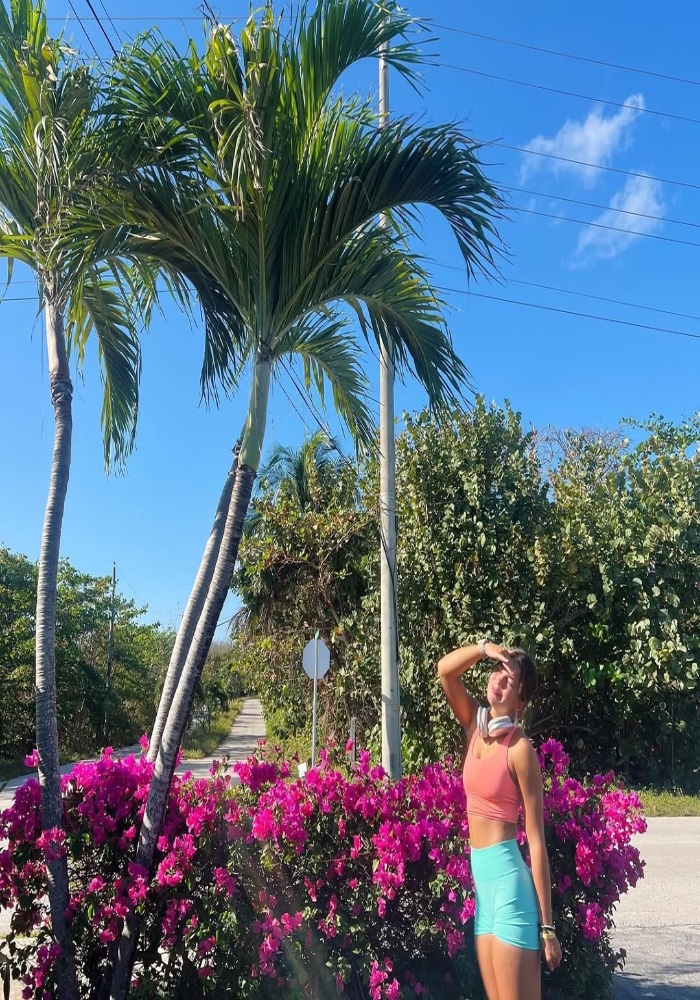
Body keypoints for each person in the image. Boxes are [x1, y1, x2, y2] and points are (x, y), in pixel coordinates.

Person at [438, 640, 562, 1000]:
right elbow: (445, 671)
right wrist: (484, 649)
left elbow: (536, 841)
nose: (499, 682)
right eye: (497, 673)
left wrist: (548, 927)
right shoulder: (473, 726)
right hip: (485, 896)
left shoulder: (520, 750)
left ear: (521, 701)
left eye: (510, 681)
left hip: (510, 891)